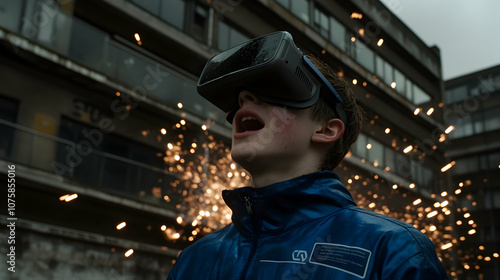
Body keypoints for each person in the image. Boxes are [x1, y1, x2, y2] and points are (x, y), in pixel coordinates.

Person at [167, 32, 448, 279]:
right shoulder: (194, 259)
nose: (245, 100)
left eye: (273, 90)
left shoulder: (393, 251)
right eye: (242, 97)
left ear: (326, 129)